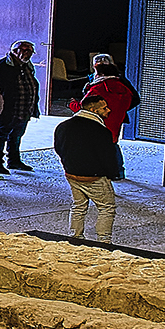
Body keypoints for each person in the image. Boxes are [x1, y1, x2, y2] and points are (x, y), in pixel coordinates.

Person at [53, 94, 121, 242]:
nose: (108, 110)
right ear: (93, 110)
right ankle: (104, 241)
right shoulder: (101, 131)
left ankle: (75, 237)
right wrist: (111, 174)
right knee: (106, 208)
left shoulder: (63, 126)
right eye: (104, 108)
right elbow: (108, 157)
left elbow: (58, 148)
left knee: (78, 206)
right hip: (94, 177)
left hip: (72, 174)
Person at [0, 41, 40, 173]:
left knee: (16, 136)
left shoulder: (27, 66)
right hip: (7, 110)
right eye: (24, 51)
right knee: (0, 136)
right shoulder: (1, 66)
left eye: (29, 51)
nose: (27, 54)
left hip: (24, 109)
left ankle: (14, 161)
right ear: (15, 51)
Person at [72, 57, 139, 144]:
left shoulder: (98, 88)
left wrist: (71, 104)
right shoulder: (124, 87)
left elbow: (82, 107)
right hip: (115, 126)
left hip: (97, 127)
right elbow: (134, 100)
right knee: (111, 146)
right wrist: (119, 110)